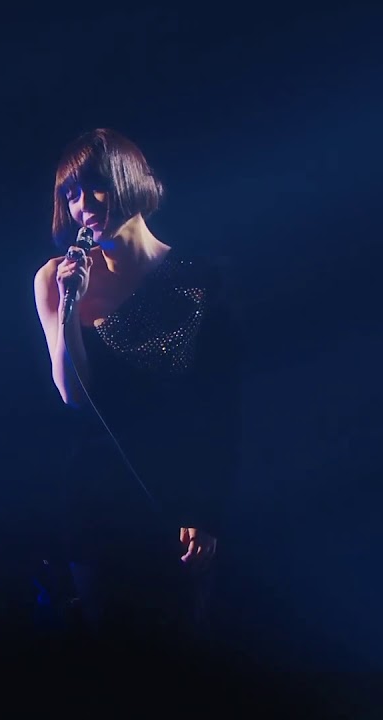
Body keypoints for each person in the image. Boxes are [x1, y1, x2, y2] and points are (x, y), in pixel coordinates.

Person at [32, 128, 240, 644]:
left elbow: (222, 404)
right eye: (70, 195)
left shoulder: (201, 278)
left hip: (178, 496)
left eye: (94, 187)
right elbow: (73, 394)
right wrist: (71, 304)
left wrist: (206, 508)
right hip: (97, 502)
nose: (82, 206)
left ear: (128, 181)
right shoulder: (55, 278)